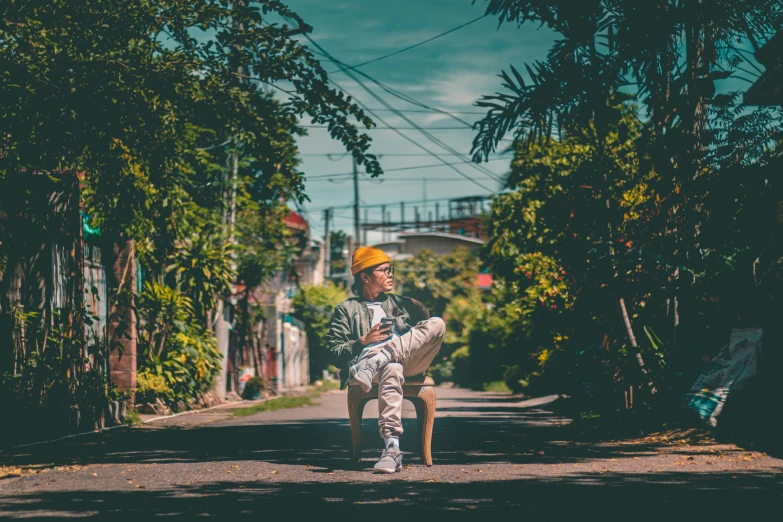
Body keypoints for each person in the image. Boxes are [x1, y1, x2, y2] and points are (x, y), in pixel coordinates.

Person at [326, 246, 445, 473]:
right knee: (392, 368)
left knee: (437, 323)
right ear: (365, 276)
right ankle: (392, 449)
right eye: (384, 270)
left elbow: (423, 336)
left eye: (391, 269)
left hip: (407, 359)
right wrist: (363, 341)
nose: (391, 274)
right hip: (372, 365)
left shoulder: (405, 304)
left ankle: (382, 357)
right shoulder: (346, 309)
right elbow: (333, 351)